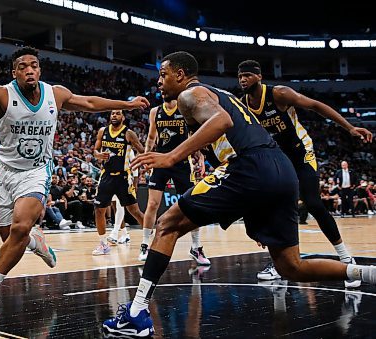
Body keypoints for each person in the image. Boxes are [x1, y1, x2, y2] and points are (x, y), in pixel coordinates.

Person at [102, 51, 376, 337]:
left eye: (163, 74)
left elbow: (222, 122)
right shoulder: (222, 93)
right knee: (290, 266)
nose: (159, 81)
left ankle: (136, 314)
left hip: (250, 166)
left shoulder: (190, 95)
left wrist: (171, 156)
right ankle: (366, 273)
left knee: (167, 224)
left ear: (181, 75)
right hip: (280, 170)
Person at [0, 46, 149, 313]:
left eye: (34, 65)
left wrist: (128, 104)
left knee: (20, 228)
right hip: (4, 173)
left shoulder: (55, 94)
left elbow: (90, 103)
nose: (29, 69)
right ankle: (36, 241)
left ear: (39, 70)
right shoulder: (0, 94)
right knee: (12, 239)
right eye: (22, 66)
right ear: (14, 72)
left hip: (36, 172)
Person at [238, 60, 373, 286]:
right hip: (277, 160)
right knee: (272, 208)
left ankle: (345, 256)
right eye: (240, 76)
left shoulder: (279, 94)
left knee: (313, 203)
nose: (242, 79)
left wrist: (349, 127)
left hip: (301, 153)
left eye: (247, 75)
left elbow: (316, 106)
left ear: (259, 76)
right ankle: (279, 263)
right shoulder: (242, 106)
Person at [140, 98, 209, 264]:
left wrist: (198, 155)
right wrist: (145, 156)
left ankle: (196, 247)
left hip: (182, 161)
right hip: (161, 160)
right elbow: (151, 137)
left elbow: (194, 135)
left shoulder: (184, 109)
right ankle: (144, 245)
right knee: (152, 204)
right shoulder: (155, 112)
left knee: (191, 204)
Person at [92, 110, 145, 255]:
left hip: (123, 177)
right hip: (106, 176)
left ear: (123, 117)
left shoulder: (128, 134)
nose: (114, 115)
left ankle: (150, 239)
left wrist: (147, 164)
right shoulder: (103, 131)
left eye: (117, 113)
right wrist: (98, 155)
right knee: (99, 210)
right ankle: (103, 244)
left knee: (134, 211)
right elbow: (95, 150)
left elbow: (141, 150)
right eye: (112, 113)